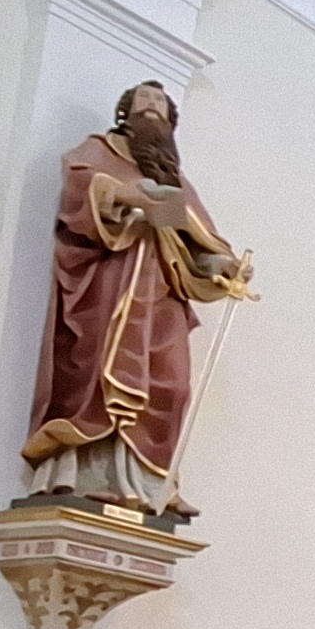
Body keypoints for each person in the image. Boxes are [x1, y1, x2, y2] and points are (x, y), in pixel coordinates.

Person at [20, 81, 253, 524]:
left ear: (169, 122)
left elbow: (202, 241)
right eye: (142, 101)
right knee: (101, 376)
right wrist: (128, 195)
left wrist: (226, 267)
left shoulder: (175, 180)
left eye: (159, 103)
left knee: (171, 386)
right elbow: (81, 189)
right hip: (111, 283)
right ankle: (86, 476)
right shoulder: (100, 150)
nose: (151, 106)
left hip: (162, 296)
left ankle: (150, 485)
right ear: (125, 113)